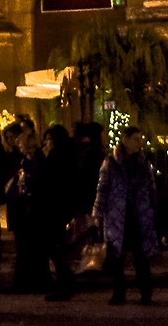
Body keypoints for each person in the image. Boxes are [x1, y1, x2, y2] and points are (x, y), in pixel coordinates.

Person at [92, 127, 160, 305]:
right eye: (136, 139)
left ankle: (146, 293)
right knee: (116, 257)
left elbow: (151, 187)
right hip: (118, 216)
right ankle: (118, 293)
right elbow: (103, 188)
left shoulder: (143, 162)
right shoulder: (111, 162)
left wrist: (151, 207)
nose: (139, 143)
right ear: (125, 140)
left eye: (140, 139)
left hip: (138, 215)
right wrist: (97, 213)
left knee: (141, 257)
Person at [37, 124, 83, 300]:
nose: (46, 143)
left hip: (55, 209)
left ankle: (64, 285)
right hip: (59, 209)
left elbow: (52, 183)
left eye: (48, 139)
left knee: (57, 250)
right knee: (58, 250)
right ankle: (65, 284)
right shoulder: (66, 156)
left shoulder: (58, 158)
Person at [3, 126, 44, 291]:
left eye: (21, 147)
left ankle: (27, 280)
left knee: (27, 247)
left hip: (29, 210)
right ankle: (24, 279)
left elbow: (35, 185)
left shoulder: (35, 163)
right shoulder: (25, 162)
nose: (19, 149)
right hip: (22, 209)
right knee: (23, 247)